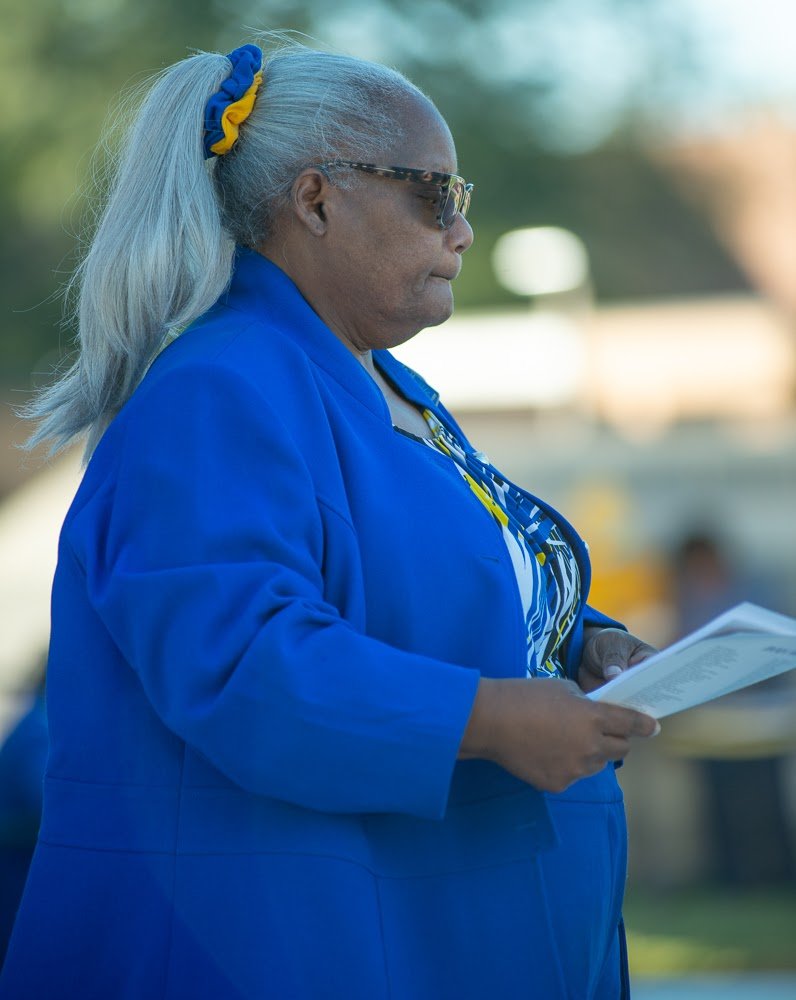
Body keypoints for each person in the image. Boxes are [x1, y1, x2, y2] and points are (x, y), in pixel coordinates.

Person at [0, 36, 660, 999]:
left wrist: (570, 643)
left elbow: (415, 586)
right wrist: (488, 716)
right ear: (315, 199)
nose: (462, 230)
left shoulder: (385, 385)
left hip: (457, 922)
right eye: (437, 194)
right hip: (291, 942)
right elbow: (242, 663)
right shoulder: (217, 391)